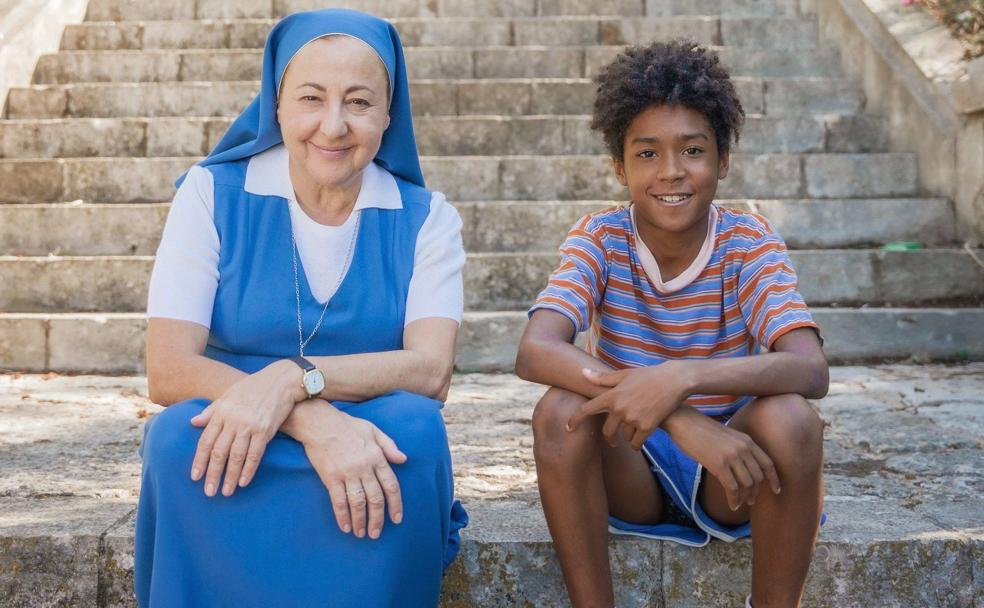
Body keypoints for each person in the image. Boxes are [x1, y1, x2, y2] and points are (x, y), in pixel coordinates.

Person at [135, 9, 467, 607]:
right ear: (277, 105)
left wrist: (296, 379)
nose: (333, 125)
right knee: (174, 441)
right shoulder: (211, 195)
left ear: (389, 114)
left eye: (360, 102)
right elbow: (169, 368)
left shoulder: (426, 217)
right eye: (311, 98)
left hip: (369, 422)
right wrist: (307, 416)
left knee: (415, 435)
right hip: (239, 421)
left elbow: (429, 370)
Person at [515, 40, 828, 608]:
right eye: (647, 154)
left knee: (792, 419)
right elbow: (536, 350)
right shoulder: (602, 238)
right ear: (619, 167)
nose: (672, 172)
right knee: (560, 412)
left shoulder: (747, 242)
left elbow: (809, 369)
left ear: (723, 160)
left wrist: (682, 378)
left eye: (692, 149)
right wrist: (679, 419)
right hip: (628, 462)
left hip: (728, 474)